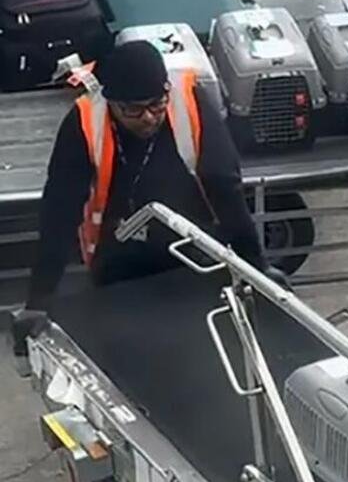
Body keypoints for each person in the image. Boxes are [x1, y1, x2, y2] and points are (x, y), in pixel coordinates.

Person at [13, 40, 284, 359]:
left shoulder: (189, 103)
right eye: (133, 110)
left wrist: (257, 267)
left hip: (194, 259)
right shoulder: (85, 123)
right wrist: (39, 301)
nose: (148, 118)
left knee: (204, 356)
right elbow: (59, 213)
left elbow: (226, 188)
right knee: (128, 358)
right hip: (118, 267)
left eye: (157, 105)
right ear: (111, 102)